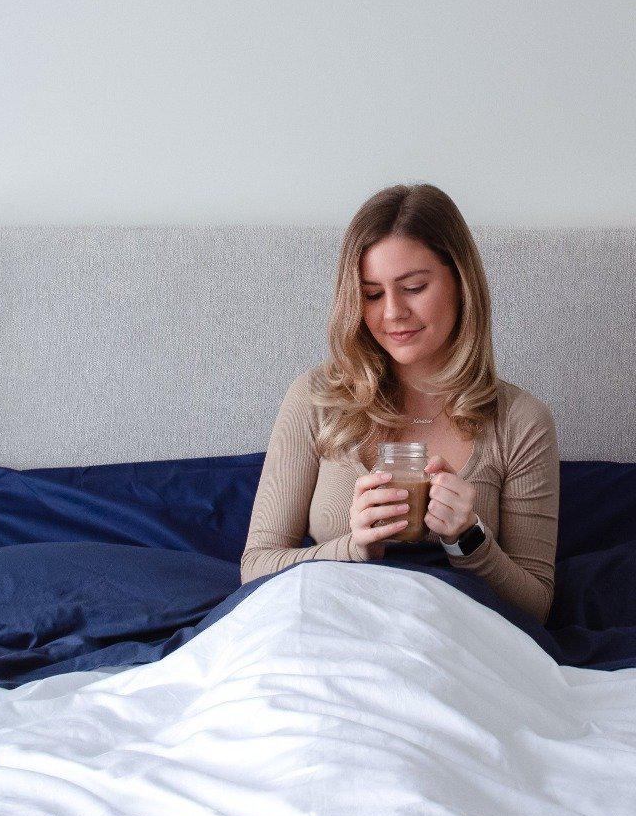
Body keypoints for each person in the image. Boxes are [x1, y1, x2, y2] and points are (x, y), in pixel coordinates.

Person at [239, 183, 560, 624]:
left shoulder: (520, 422)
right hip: (327, 634)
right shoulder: (318, 399)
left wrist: (469, 540)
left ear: (461, 284)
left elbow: (536, 606)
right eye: (371, 294)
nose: (391, 313)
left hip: (453, 644)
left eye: (413, 287)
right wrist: (354, 548)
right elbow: (255, 567)